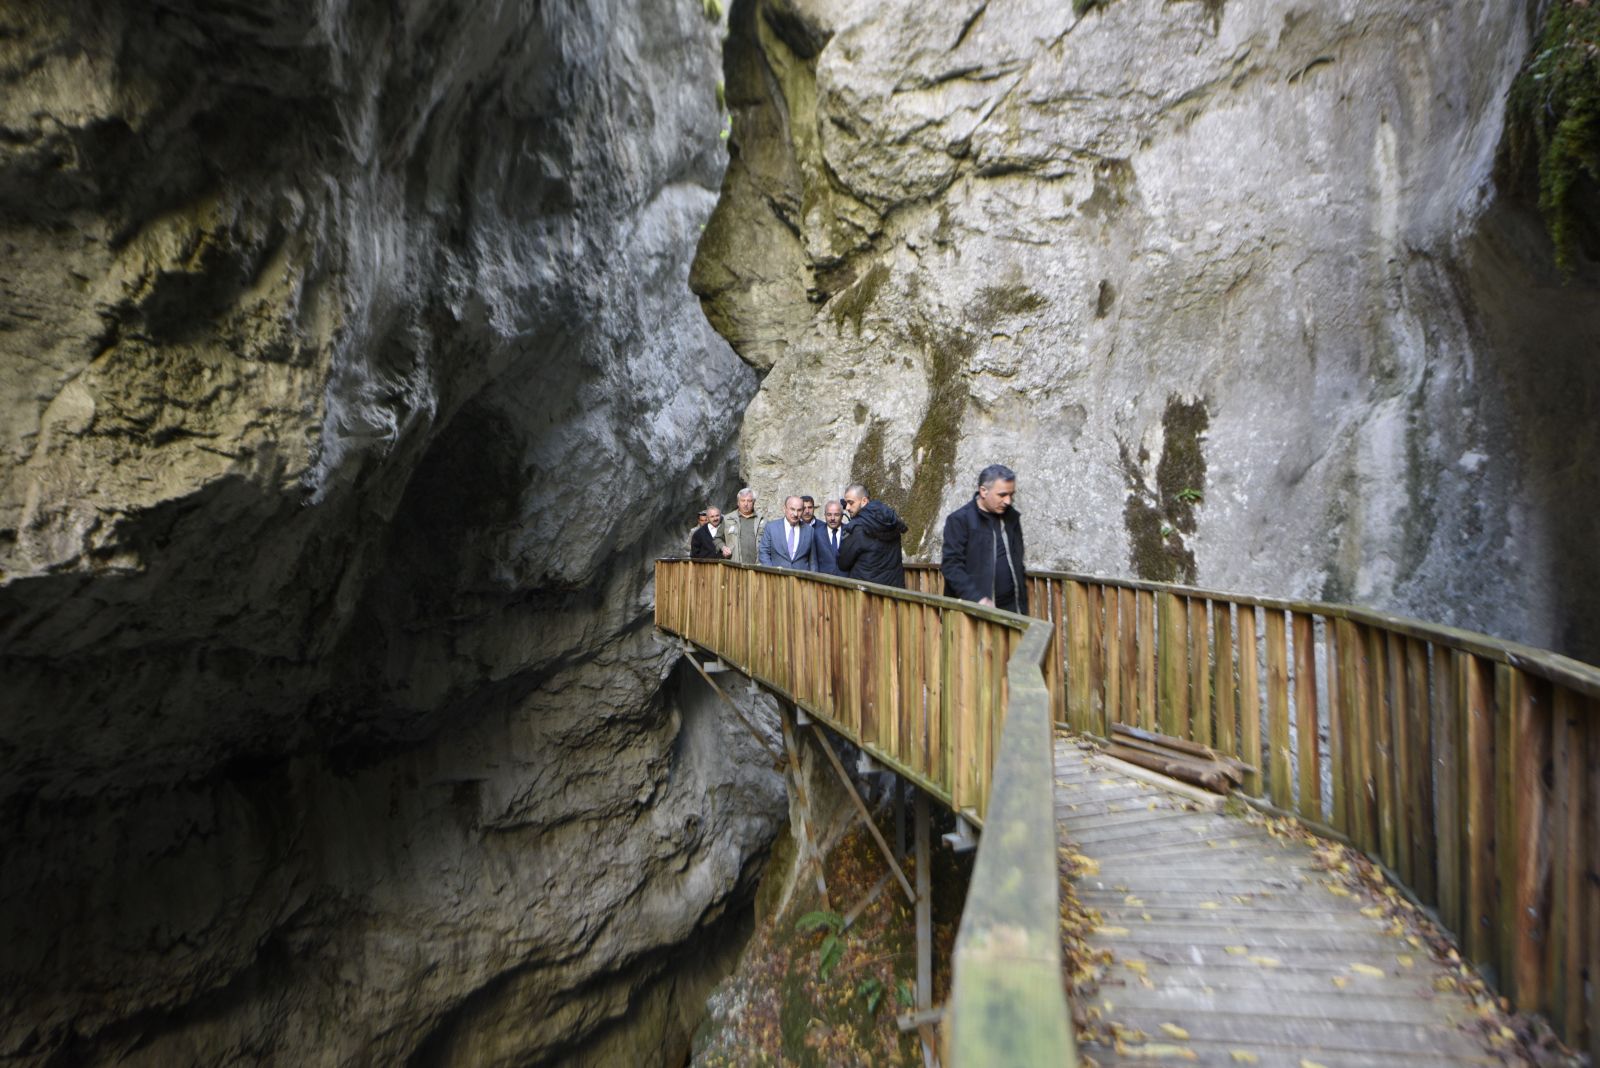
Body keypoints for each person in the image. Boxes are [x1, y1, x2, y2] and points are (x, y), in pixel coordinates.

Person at [940, 464, 1027, 613]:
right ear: (983, 491)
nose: (1008, 501)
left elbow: (1018, 560)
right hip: (973, 612)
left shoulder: (1011, 517)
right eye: (1002, 495)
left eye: (1011, 495)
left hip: (1012, 608)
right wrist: (977, 599)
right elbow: (951, 566)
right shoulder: (960, 520)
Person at [837, 483, 907, 588]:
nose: (847, 507)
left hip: (867, 592)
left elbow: (843, 563)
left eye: (851, 503)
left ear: (864, 501)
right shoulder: (891, 521)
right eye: (846, 503)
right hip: (893, 590)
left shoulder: (857, 528)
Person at [758, 495, 817, 571]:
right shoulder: (771, 528)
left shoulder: (809, 531)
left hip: (801, 579)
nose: (795, 514)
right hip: (777, 578)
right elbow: (763, 553)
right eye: (792, 509)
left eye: (799, 510)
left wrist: (812, 580)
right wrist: (772, 573)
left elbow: (813, 561)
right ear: (784, 509)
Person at [724, 488, 763, 565]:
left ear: (754, 502)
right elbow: (717, 538)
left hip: (757, 566)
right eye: (743, 500)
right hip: (735, 566)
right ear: (738, 502)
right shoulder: (727, 519)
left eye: (749, 501)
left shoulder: (762, 520)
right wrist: (723, 547)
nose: (746, 504)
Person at [814, 499, 846, 577]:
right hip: (823, 582)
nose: (832, 518)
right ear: (825, 515)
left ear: (842, 516)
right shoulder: (817, 533)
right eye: (829, 515)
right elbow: (814, 560)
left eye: (836, 515)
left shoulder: (849, 532)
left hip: (846, 581)